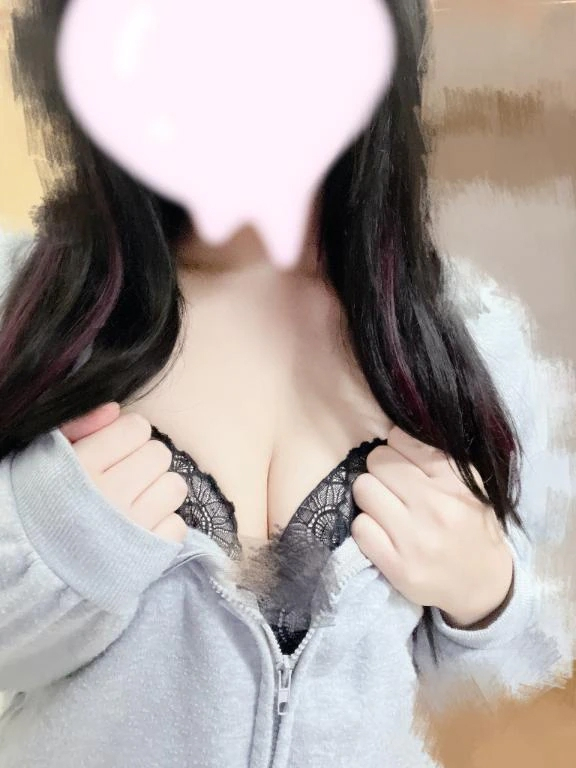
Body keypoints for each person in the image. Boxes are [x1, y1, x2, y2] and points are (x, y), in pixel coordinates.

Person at [0, 1, 571, 766]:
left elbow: (520, 706)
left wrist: (489, 600)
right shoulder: (25, 303)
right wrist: (48, 550)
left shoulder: (474, 339)